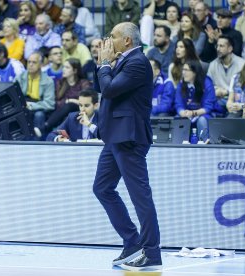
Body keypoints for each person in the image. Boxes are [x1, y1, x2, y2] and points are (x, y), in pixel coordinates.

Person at [93, 22, 162, 271]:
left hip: (129, 138)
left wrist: (104, 65)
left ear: (127, 41)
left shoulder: (138, 63)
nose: (108, 40)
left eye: (113, 36)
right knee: (102, 188)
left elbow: (109, 89)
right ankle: (132, 241)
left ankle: (152, 253)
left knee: (140, 196)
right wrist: (103, 63)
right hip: (115, 137)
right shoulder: (123, 61)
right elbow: (100, 86)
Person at [43, 57, 91, 133]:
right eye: (63, 67)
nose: (63, 69)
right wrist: (69, 101)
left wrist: (72, 101)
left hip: (79, 110)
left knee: (70, 106)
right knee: (66, 110)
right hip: (61, 111)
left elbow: (86, 101)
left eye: (67, 67)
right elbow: (57, 102)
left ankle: (46, 126)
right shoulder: (60, 83)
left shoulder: (83, 83)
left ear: (75, 70)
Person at [15, 51, 55, 138]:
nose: (30, 65)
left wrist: (32, 106)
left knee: (39, 115)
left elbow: (50, 104)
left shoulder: (48, 81)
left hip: (38, 106)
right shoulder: (19, 78)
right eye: (29, 62)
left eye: (34, 62)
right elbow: (14, 97)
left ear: (41, 64)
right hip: (23, 105)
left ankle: (38, 142)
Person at [175, 60, 216, 139]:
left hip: (204, 114)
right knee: (179, 119)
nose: (183, 73)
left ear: (195, 72)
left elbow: (208, 107)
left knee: (202, 120)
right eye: (183, 70)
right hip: (187, 114)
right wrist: (182, 112)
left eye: (186, 70)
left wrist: (193, 113)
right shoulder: (181, 84)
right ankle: (179, 146)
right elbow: (178, 104)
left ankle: (204, 144)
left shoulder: (207, 83)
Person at [207, 35, 245, 116]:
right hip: (218, 100)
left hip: (235, 102)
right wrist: (216, 90)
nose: (218, 49)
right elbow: (208, 85)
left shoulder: (242, 64)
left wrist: (227, 91)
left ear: (230, 49)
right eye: (217, 46)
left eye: (221, 46)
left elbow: (244, 87)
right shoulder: (213, 64)